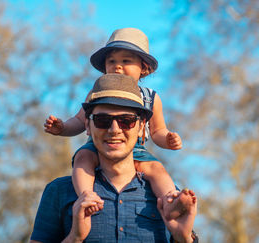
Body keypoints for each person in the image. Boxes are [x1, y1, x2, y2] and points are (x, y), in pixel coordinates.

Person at [31, 74, 198, 242]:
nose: (114, 129)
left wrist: (183, 239)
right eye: (102, 120)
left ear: (141, 128)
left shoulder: (168, 197)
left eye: (126, 121)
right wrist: (75, 237)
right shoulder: (59, 191)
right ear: (87, 126)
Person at [44, 28, 183, 219]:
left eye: (126, 61)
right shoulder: (98, 92)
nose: (118, 66)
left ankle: (170, 201)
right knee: (83, 157)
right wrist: (62, 128)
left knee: (156, 169)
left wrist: (168, 140)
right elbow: (79, 120)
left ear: (143, 67)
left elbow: (157, 130)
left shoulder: (150, 97)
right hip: (99, 144)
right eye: (112, 61)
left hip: (136, 148)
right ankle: (86, 194)